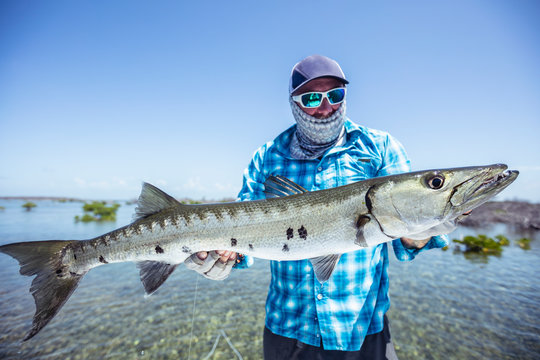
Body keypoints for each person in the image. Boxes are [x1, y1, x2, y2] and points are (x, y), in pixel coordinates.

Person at [184, 55, 452, 359]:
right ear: (294, 102)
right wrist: (221, 262)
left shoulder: (381, 147)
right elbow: (241, 242)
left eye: (335, 95)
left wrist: (423, 226)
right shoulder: (266, 157)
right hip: (288, 330)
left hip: (363, 330)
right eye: (312, 98)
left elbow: (408, 246)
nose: (325, 108)